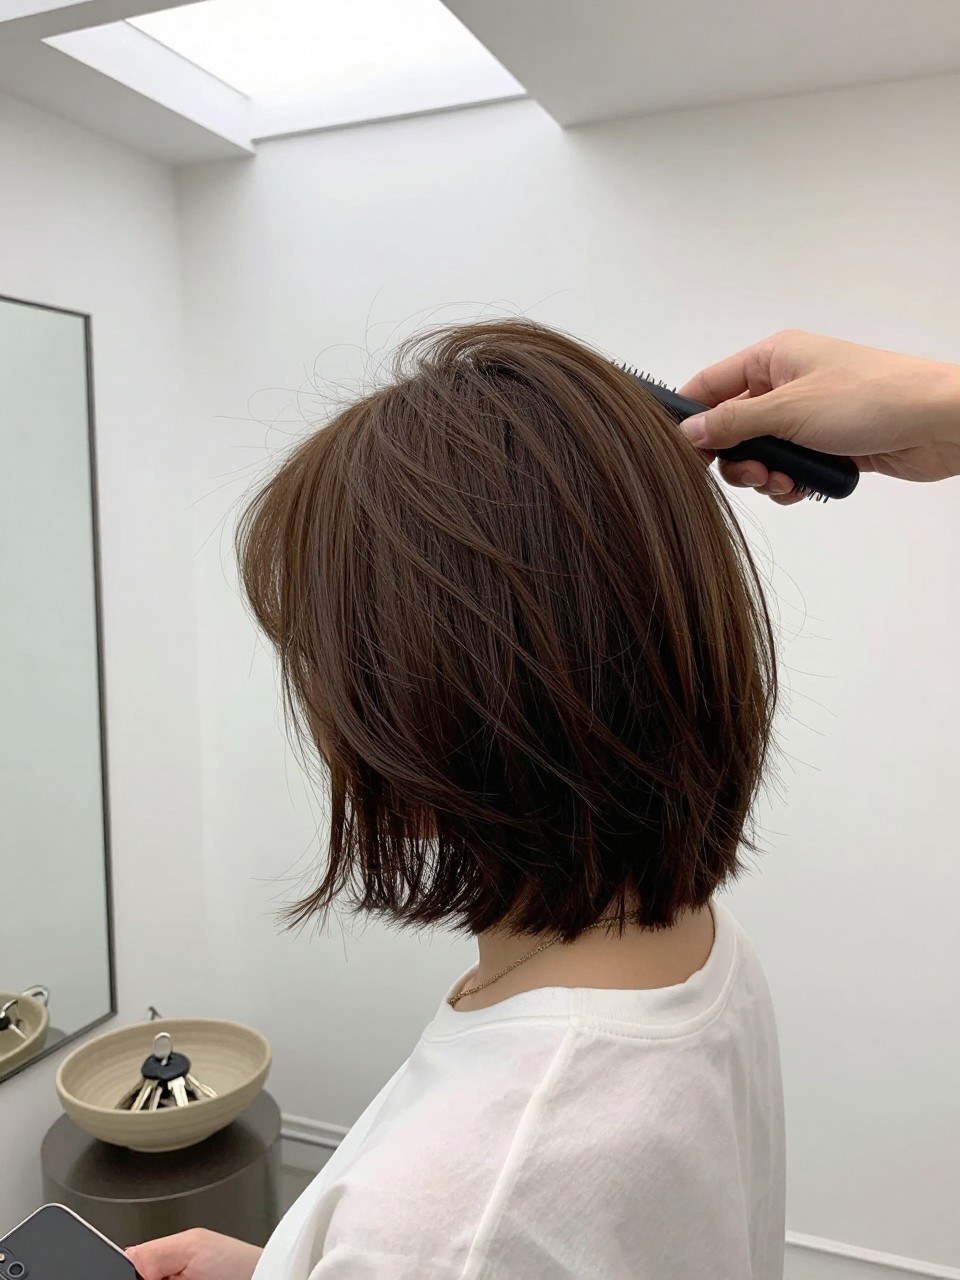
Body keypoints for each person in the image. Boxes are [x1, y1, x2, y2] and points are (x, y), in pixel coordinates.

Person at [127, 327, 960, 1280]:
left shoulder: (450, 1222)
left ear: (430, 704)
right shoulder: (691, 957)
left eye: (320, 666)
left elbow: (465, 1234)